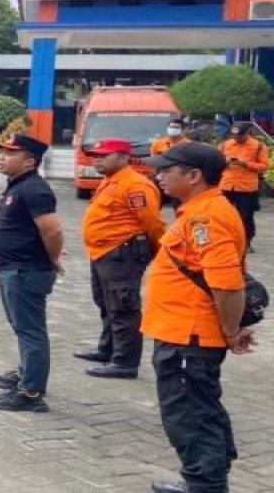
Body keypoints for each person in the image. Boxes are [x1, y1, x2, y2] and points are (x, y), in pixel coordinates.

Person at [142, 142, 256, 493]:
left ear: (194, 176)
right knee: (199, 410)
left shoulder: (208, 218)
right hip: (181, 333)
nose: (158, 175)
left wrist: (231, 329)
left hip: (189, 338)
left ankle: (205, 485)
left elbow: (227, 284)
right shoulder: (198, 210)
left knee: (190, 416)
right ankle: (206, 479)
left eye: (167, 170)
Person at [0, 133, 64, 413]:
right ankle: (25, 372)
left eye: (10, 152)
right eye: (2, 151)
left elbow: (52, 229)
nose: (1, 156)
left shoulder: (34, 189)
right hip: (12, 268)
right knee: (22, 326)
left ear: (30, 161)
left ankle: (31, 392)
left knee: (31, 330)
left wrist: (53, 257)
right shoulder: (19, 185)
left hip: (25, 271)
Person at [73, 139, 165, 379]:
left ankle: (125, 362)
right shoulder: (109, 181)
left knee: (123, 306)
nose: (97, 159)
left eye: (104, 155)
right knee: (106, 303)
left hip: (122, 253)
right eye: (95, 155)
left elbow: (153, 223)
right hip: (103, 253)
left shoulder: (136, 186)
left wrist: (158, 253)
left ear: (124, 158)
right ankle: (108, 348)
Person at [218, 121, 268, 250]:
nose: (237, 138)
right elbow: (216, 163)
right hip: (226, 185)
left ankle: (247, 241)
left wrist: (246, 164)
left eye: (240, 136)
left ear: (247, 133)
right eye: (235, 136)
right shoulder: (225, 145)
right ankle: (223, 240)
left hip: (247, 187)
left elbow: (264, 167)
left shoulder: (259, 146)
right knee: (222, 214)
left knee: (246, 216)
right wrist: (225, 162)